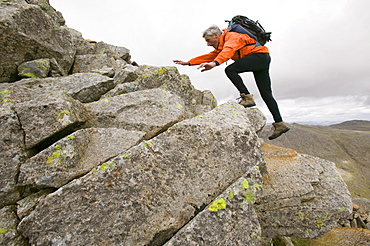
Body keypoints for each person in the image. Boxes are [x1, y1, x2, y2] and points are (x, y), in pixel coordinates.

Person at [173, 25, 289, 140]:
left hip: (258, 57)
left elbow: (228, 51)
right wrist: (189, 63)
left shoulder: (232, 37)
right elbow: (211, 56)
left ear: (216, 35)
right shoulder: (222, 45)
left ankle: (247, 97)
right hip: (262, 58)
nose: (208, 44)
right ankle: (280, 124)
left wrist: (214, 64)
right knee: (266, 94)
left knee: (230, 69)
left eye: (208, 40)